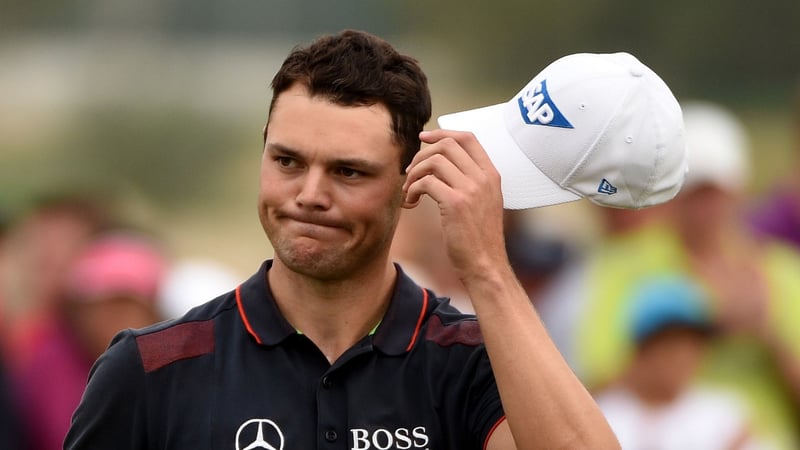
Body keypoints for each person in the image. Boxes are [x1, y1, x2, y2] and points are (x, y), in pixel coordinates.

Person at [65, 32, 687, 449]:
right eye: (286, 161)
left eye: (348, 171)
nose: (309, 193)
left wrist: (487, 270)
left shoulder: (472, 363)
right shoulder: (148, 369)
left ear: (408, 182)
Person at [564, 101, 800, 449]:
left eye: (714, 193)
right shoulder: (624, 264)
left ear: (737, 191)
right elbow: (593, 386)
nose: (704, 209)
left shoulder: (781, 268)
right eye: (691, 193)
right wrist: (701, 326)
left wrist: (768, 336)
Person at [15, 230, 168, 450]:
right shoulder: (52, 361)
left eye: (127, 305)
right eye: (104, 305)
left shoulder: (168, 364)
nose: (116, 319)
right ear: (80, 309)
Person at [595, 275, 764, 450]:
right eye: (671, 345)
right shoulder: (604, 418)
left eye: (693, 344)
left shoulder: (725, 413)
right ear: (642, 351)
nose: (683, 357)